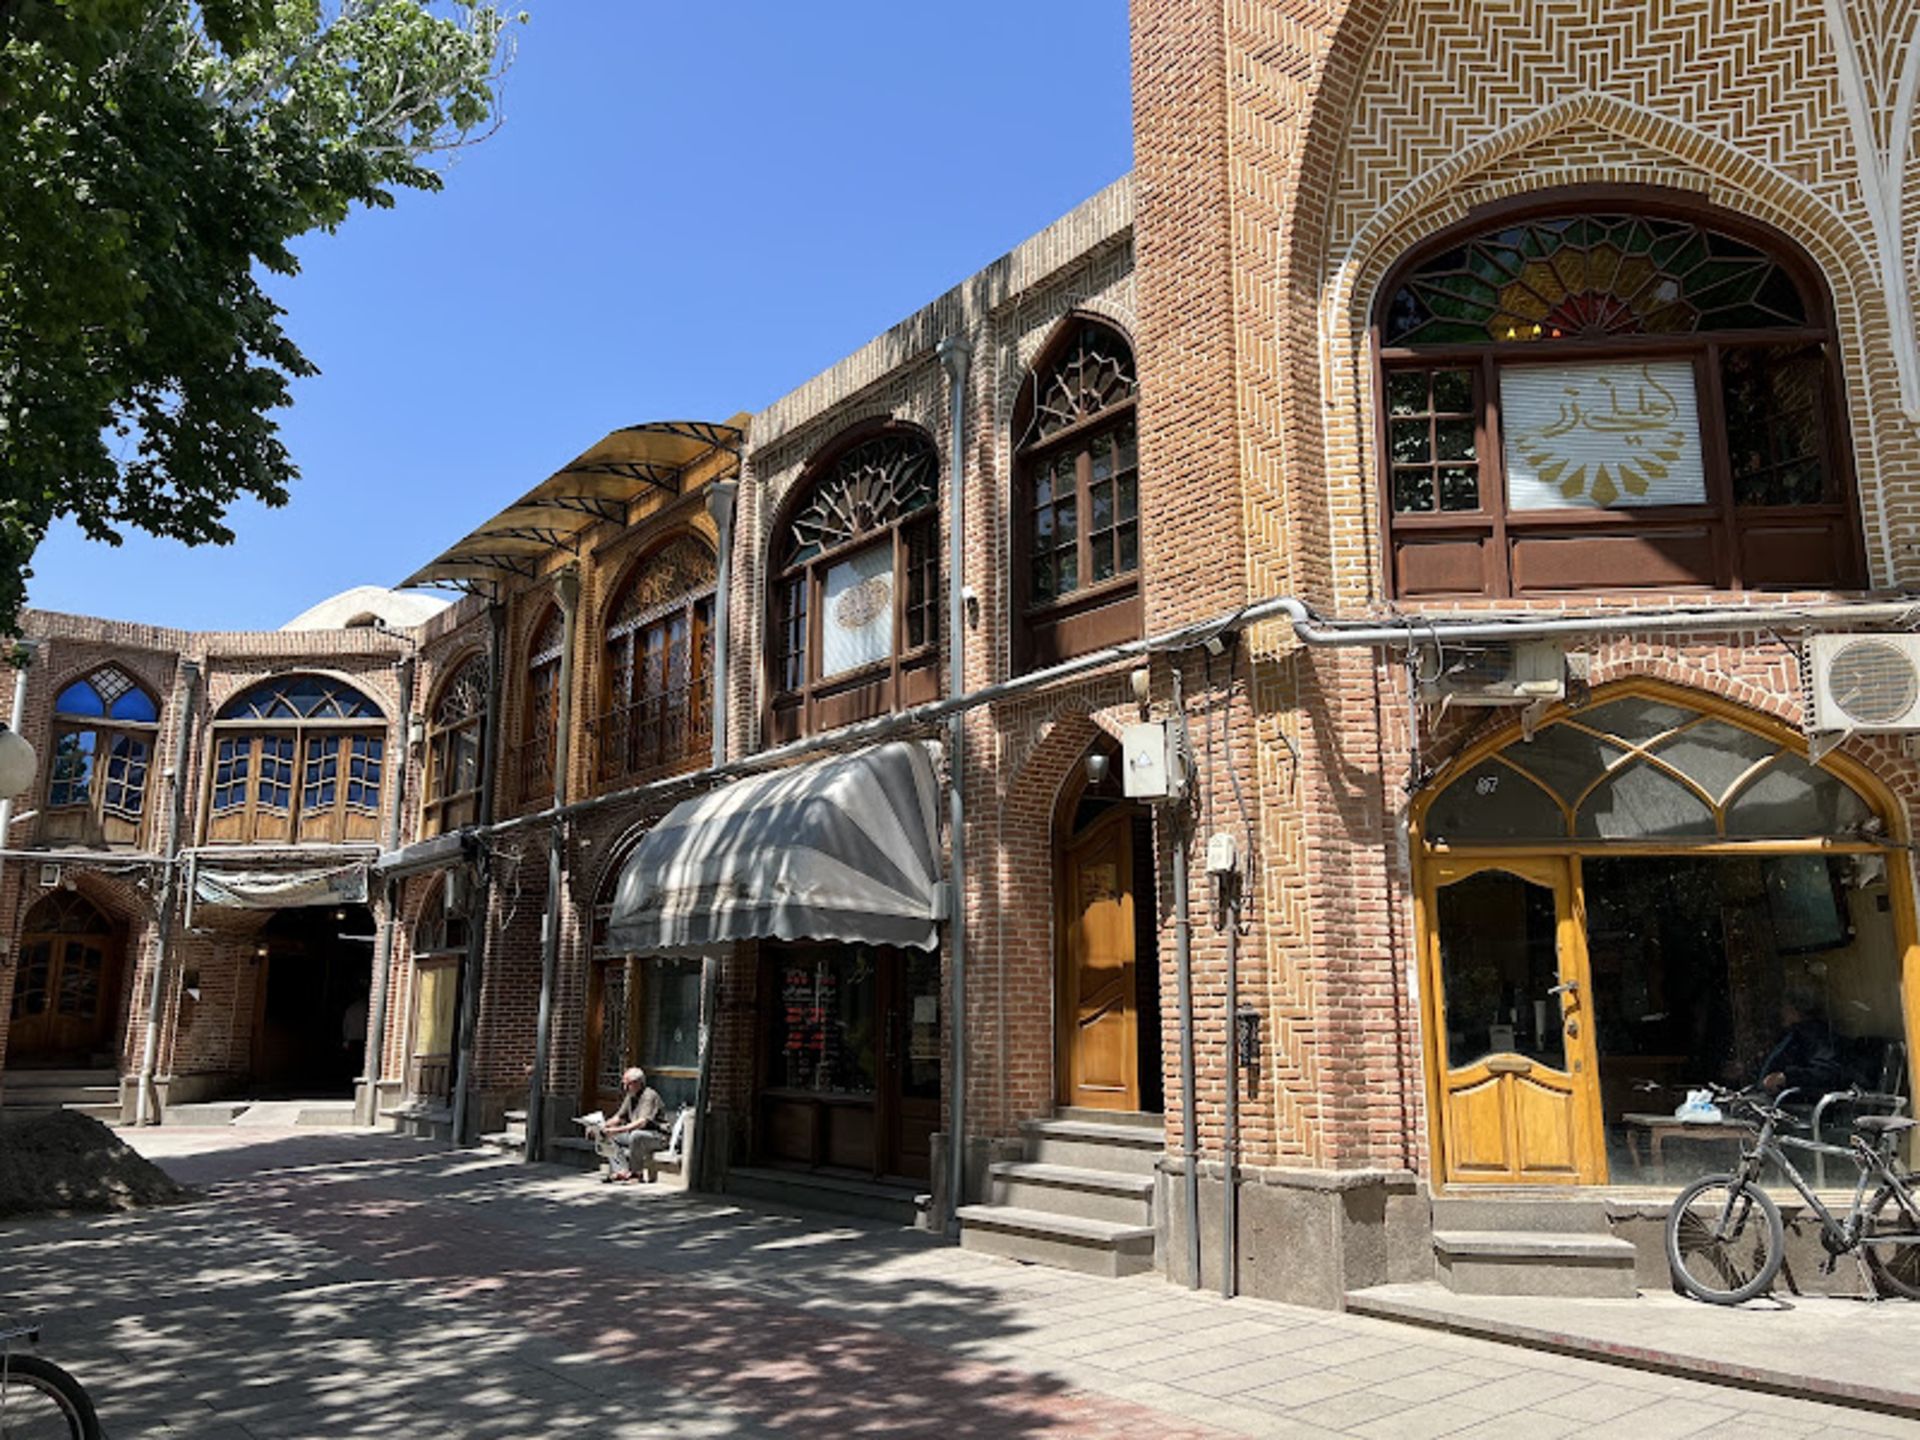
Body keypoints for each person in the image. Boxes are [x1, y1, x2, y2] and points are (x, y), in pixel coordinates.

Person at [1755, 991, 1849, 1097]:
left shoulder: (1814, 1034)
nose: (1781, 1012)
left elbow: (1828, 1073)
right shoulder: (1790, 1035)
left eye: (1785, 1008)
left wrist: (1786, 1078)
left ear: (1794, 1010)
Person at [594, 1067, 667, 1184]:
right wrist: (600, 1126)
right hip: (637, 1133)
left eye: (628, 1084)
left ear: (638, 1083)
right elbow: (618, 1117)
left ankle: (636, 1174)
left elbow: (642, 1122)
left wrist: (618, 1129)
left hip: (658, 1136)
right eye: (624, 1084)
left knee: (636, 1135)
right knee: (609, 1137)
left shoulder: (649, 1095)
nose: (625, 1088)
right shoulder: (630, 1096)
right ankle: (621, 1171)